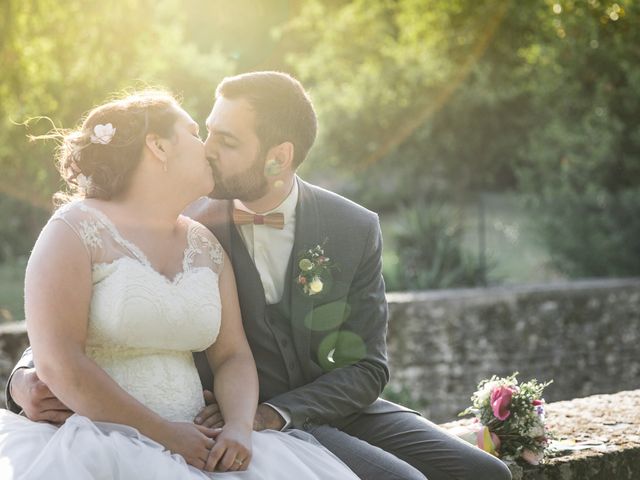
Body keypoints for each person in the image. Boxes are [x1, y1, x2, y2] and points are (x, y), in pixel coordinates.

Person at [7, 72, 512, 480]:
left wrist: (267, 417)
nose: (206, 148)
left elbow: (367, 366)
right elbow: (82, 322)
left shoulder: (352, 227)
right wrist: (23, 378)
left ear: (279, 156)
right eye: (203, 131)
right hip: (209, 423)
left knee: (484, 474)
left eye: (225, 140)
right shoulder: (190, 217)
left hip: (310, 409)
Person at [0, 90, 359, 479]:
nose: (206, 146)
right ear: (158, 146)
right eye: (193, 132)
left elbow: (233, 355)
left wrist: (239, 427)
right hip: (100, 447)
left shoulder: (205, 243)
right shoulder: (74, 230)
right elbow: (59, 360)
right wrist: (167, 435)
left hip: (205, 442)